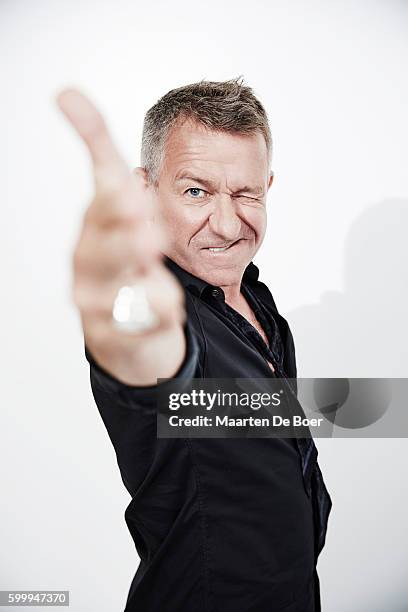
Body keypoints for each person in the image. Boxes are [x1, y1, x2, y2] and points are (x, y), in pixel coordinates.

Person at [58, 78, 332, 612]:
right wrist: (126, 321)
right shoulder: (163, 320)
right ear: (145, 189)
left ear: (268, 187)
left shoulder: (260, 304)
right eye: (196, 191)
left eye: (246, 193)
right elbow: (151, 361)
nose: (228, 224)